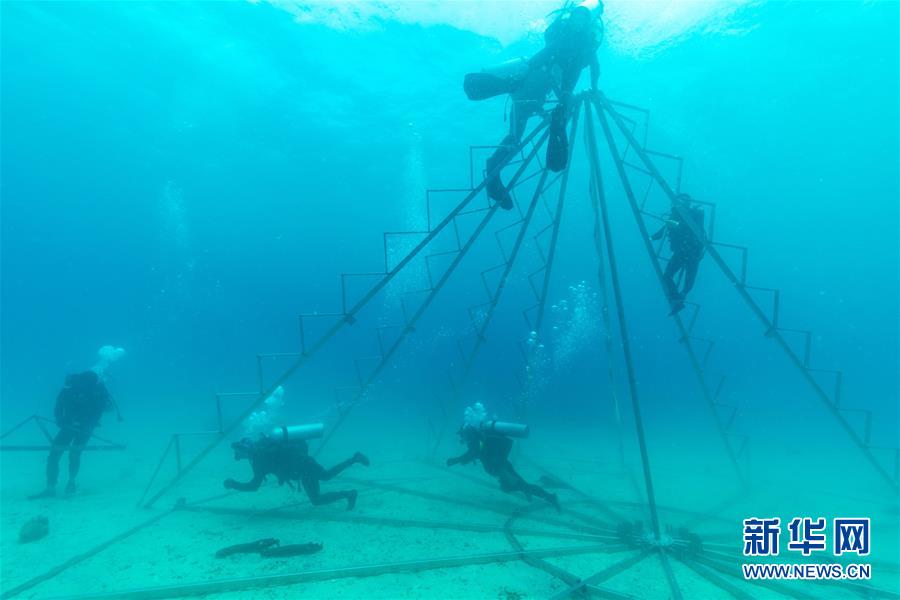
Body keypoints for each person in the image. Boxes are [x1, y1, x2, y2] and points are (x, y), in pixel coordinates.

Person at [483, 1, 603, 210]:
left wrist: (590, 88)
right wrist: (574, 95)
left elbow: (593, 66)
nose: (578, 23)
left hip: (533, 99)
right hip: (526, 95)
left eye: (583, 20)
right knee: (515, 138)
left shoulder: (584, 46)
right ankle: (493, 169)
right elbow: (544, 61)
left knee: (516, 138)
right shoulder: (561, 43)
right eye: (576, 18)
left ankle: (494, 167)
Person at [224, 434, 369, 510]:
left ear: (245, 451)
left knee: (325, 479)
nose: (239, 457)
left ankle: (354, 461)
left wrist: (233, 484)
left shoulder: (259, 460)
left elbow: (254, 486)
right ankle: (349, 493)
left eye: (240, 454)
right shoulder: (263, 449)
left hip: (304, 466)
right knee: (319, 494)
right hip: (302, 466)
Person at [29, 371, 114, 499]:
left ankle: (51, 488)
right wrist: (88, 422)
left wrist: (61, 421)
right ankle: (71, 482)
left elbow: (58, 406)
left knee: (54, 455)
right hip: (86, 428)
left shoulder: (70, 387)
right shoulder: (98, 390)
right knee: (75, 454)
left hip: (69, 426)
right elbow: (107, 408)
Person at [446, 424, 560, 511]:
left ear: (469, 433)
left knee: (517, 486)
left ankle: (550, 497)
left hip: (501, 468)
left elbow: (471, 454)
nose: (462, 437)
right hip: (501, 467)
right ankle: (529, 491)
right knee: (512, 487)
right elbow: (474, 454)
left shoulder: (478, 441)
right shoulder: (479, 440)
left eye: (463, 434)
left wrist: (455, 460)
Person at [651, 194, 707, 315]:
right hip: (680, 252)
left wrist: (674, 223)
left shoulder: (696, 213)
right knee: (667, 276)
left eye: (685, 201)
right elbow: (662, 232)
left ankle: (680, 298)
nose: (682, 204)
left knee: (688, 279)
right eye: (680, 201)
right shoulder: (674, 217)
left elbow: (694, 226)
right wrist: (650, 238)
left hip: (693, 251)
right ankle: (676, 299)